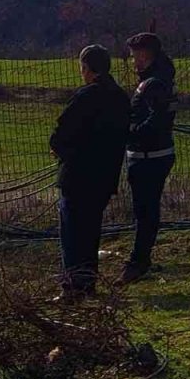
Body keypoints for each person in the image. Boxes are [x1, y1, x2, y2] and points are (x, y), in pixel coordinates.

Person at [49, 45, 130, 299]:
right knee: (91, 231)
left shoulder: (85, 96)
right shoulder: (120, 98)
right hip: (105, 177)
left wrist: (61, 151)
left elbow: (61, 134)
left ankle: (72, 286)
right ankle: (88, 282)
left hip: (77, 176)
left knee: (72, 233)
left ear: (86, 69)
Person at [120, 32, 178, 285]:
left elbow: (157, 120)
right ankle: (141, 257)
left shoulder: (154, 85)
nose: (132, 62)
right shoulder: (158, 80)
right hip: (152, 154)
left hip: (149, 156)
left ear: (145, 55)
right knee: (146, 210)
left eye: (134, 56)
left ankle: (138, 261)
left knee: (144, 211)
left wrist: (130, 133)